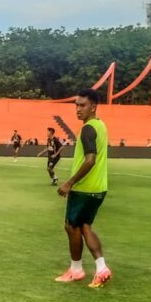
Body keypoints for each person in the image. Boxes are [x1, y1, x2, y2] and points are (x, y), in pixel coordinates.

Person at [55, 89, 112, 289]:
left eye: (83, 105)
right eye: (77, 105)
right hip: (99, 188)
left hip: (84, 188)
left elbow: (90, 160)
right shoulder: (100, 125)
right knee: (85, 226)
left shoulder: (88, 129)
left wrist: (69, 182)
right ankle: (101, 268)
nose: (78, 109)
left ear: (93, 106)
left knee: (71, 226)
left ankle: (76, 270)